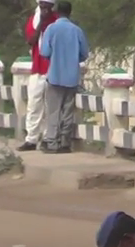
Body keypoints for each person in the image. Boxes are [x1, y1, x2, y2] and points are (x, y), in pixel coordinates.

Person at [40, 1, 89, 154]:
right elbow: (84, 54)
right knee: (68, 110)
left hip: (54, 75)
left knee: (54, 110)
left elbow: (44, 52)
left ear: (57, 11)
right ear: (70, 12)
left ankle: (52, 142)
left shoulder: (51, 29)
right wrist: (73, 59)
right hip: (71, 77)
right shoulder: (77, 30)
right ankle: (65, 143)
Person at [18, 0, 58, 152]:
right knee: (34, 105)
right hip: (37, 68)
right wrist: (41, 22)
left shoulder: (56, 21)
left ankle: (48, 138)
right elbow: (31, 41)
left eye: (47, 7)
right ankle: (31, 139)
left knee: (50, 106)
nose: (44, 10)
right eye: (42, 7)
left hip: (52, 69)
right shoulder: (34, 20)